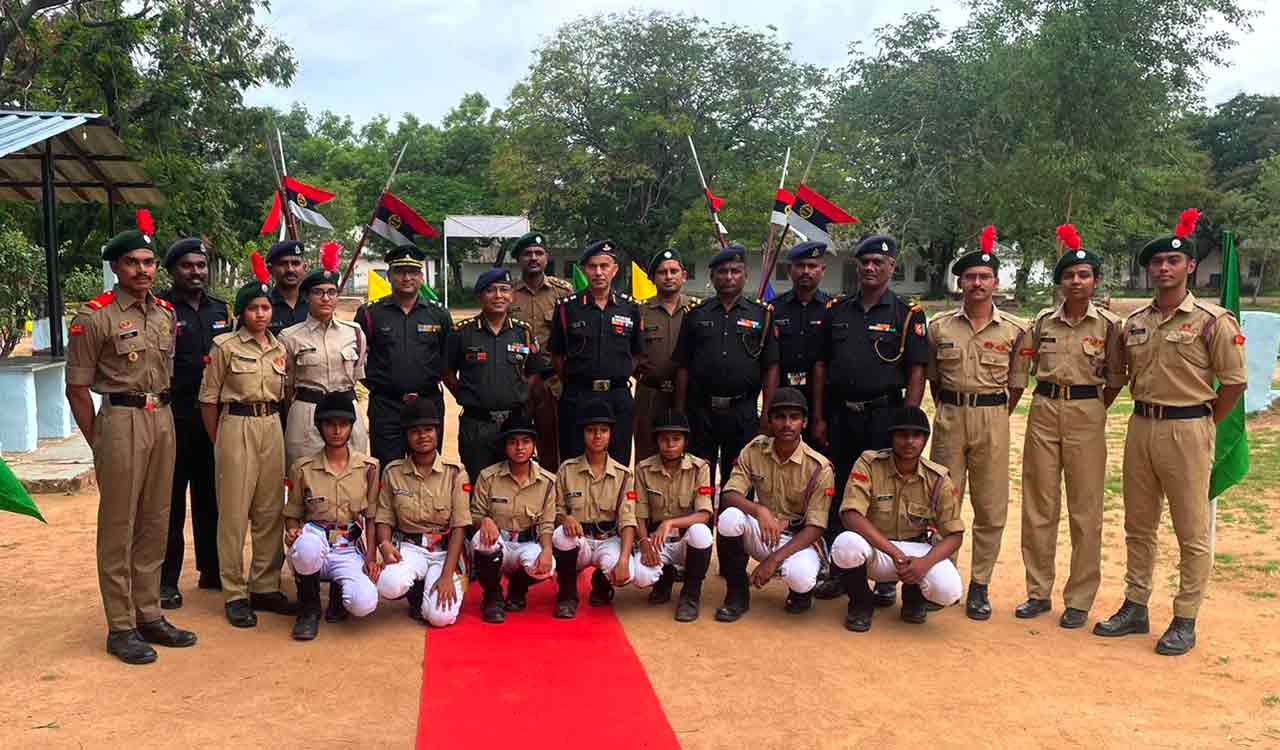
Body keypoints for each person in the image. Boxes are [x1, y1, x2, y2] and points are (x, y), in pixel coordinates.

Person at [1094, 210, 1247, 655]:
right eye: (1157, 262)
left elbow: (1233, 383)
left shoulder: (1212, 320)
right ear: (1148, 269)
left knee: (1190, 530)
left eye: (1173, 262)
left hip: (1188, 428)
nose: (1164, 268)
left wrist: (1203, 424)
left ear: (1190, 267)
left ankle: (1185, 617)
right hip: (1141, 426)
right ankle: (1136, 605)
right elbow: (1118, 374)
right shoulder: (1135, 322)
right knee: (1137, 524)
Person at [65, 213, 198, 664]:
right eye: (132, 263)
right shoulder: (95, 316)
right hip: (119, 421)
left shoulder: (164, 314)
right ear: (116, 268)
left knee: (157, 520)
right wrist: (98, 440)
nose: (142, 270)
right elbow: (77, 387)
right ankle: (120, 626)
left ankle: (149, 612)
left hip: (162, 417)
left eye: (148, 262)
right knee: (119, 525)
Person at [1017, 227, 1125, 629]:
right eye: (1069, 275)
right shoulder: (1043, 322)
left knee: (1085, 510)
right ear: (1059, 281)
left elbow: (1115, 377)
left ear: (1095, 281)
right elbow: (1024, 369)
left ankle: (1079, 599)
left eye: (1084, 275)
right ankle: (1037, 591)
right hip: (1043, 410)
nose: (1076, 281)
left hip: (1086, 413)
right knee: (1039, 506)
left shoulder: (1111, 326)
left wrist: (1090, 406)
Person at [811, 234, 928, 604]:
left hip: (884, 417)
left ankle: (886, 579)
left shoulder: (907, 314)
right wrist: (818, 416)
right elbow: (820, 367)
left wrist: (906, 423)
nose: (871, 269)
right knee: (839, 489)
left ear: (891, 267)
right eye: (865, 263)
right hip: (841, 415)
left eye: (879, 263)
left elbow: (916, 371)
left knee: (883, 496)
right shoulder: (837, 310)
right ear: (857, 267)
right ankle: (841, 570)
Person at [925, 227, 1031, 621]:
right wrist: (957, 406)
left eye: (984, 276)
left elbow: (1017, 384)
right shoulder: (940, 327)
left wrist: (991, 408)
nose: (977, 283)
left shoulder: (1016, 330)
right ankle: (943, 576)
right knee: (943, 501)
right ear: (960, 283)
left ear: (996, 282)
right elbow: (935, 380)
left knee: (990, 507)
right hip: (950, 417)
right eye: (969, 277)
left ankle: (980, 585)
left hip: (993, 418)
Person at [198, 256, 296, 628]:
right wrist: (220, 439)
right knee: (235, 515)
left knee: (270, 511)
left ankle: (265, 585)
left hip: (271, 425)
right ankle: (235, 592)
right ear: (241, 312)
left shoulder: (279, 348)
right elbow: (208, 399)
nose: (261, 314)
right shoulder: (224, 346)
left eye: (266, 307)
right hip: (235, 426)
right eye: (254, 308)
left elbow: (285, 395)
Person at [831, 406, 965, 632]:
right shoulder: (869, 464)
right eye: (902, 435)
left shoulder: (938, 478)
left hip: (917, 552)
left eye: (917, 435)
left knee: (949, 590)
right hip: (878, 550)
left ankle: (914, 597)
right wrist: (895, 554)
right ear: (891, 437)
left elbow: (955, 535)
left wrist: (924, 564)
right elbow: (851, 515)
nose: (909, 441)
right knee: (846, 545)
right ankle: (861, 602)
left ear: (925, 439)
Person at [714, 388, 834, 622]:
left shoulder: (819, 467)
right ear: (769, 420)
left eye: (794, 417)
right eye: (780, 417)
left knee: (800, 577)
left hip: (798, 540)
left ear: (805, 422)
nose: (787, 424)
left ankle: (801, 594)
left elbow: (816, 527)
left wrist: (773, 560)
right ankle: (737, 593)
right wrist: (759, 510)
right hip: (764, 531)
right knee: (730, 518)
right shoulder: (755, 449)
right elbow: (729, 493)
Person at [158, 237, 231, 608]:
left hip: (212, 417)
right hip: (173, 416)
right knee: (169, 502)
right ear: (172, 270)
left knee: (211, 498)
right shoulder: (159, 308)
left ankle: (213, 569)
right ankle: (166, 579)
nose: (196, 272)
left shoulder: (222, 310)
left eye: (201, 266)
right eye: (187, 266)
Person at [674, 244, 779, 486]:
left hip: (742, 412)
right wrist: (680, 411)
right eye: (722, 271)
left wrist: (766, 415)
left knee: (741, 481)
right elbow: (683, 366)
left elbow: (771, 367)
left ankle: (733, 525)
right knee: (698, 481)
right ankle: (699, 523)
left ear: (745, 276)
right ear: (712, 277)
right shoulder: (696, 314)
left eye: (735, 271)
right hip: (701, 411)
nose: (729, 276)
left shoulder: (761, 315)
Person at [284, 392, 381, 641]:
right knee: (305, 548)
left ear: (351, 427)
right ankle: (309, 608)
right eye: (330, 424)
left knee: (364, 603)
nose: (337, 430)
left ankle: (339, 594)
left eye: (343, 424)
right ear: (320, 427)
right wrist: (293, 530)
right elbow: (293, 512)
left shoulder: (368, 467)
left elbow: (371, 517)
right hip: (316, 539)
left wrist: (371, 556)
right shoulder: (303, 468)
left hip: (348, 545)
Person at [551, 400, 655, 619]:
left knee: (633, 576)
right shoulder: (567, 470)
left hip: (608, 540)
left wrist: (624, 559)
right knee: (561, 535)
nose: (597, 436)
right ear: (583, 434)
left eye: (603, 430)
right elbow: (556, 509)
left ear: (610, 434)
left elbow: (628, 521)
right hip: (578, 540)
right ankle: (567, 595)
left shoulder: (623, 474)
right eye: (591, 430)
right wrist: (565, 518)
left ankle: (601, 582)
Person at [374, 399, 470, 628]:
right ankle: (417, 591)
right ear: (406, 436)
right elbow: (384, 517)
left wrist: (447, 575)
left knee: (440, 617)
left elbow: (459, 527)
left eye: (428, 429)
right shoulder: (393, 472)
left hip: (444, 552)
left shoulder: (455, 473)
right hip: (410, 547)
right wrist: (385, 545)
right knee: (388, 584)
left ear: (437, 432)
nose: (422, 436)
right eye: (414, 431)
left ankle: (441, 586)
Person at [548, 240, 645, 465]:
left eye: (604, 266)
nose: (599, 272)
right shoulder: (567, 308)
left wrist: (617, 375)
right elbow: (557, 355)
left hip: (616, 397)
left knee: (618, 461)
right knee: (574, 461)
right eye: (592, 266)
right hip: (578, 396)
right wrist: (578, 378)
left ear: (615, 270)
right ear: (584, 270)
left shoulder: (629, 308)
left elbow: (637, 353)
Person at [357, 243, 452, 468]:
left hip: (428, 403)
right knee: (388, 469)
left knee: (428, 469)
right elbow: (358, 361)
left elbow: (448, 358)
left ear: (421, 275)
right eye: (400, 272)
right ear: (389, 275)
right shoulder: (370, 314)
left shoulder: (438, 313)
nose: (407, 277)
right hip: (387, 406)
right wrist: (379, 385)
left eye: (413, 272)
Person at [280, 244, 369, 468]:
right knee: (304, 477)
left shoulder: (355, 333)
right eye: (318, 292)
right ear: (307, 297)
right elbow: (287, 386)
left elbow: (357, 376)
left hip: (347, 413)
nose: (325, 298)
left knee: (352, 477)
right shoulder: (289, 337)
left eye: (331, 292)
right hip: (306, 415)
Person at [444, 267, 534, 480]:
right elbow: (447, 372)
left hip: (513, 424)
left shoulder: (523, 332)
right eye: (491, 290)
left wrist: (518, 392)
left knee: (513, 482)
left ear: (512, 296)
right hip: (476, 424)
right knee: (478, 482)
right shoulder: (461, 333)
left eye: (504, 290)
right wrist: (467, 394)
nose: (498, 296)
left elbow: (533, 371)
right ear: (480, 296)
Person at [470, 415, 557, 624]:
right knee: (481, 540)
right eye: (512, 442)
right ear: (505, 446)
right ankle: (492, 596)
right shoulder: (487, 476)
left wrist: (546, 550)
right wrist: (484, 521)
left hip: (526, 544)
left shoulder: (548, 481)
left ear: (534, 445)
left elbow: (546, 524)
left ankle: (518, 588)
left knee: (548, 565)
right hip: (497, 544)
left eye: (526, 441)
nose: (519, 447)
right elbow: (473, 514)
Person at [630, 409, 714, 622]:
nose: (670, 445)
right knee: (641, 577)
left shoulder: (700, 467)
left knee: (702, 533)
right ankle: (663, 580)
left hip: (686, 541)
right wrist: (644, 544)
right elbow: (639, 514)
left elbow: (704, 514)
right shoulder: (643, 469)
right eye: (664, 439)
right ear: (656, 441)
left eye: (676, 439)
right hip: (657, 541)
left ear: (685, 441)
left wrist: (669, 523)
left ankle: (691, 593)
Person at [509, 231, 574, 467]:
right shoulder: (507, 294)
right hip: (518, 381)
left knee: (554, 446)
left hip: (553, 382)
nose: (533, 258)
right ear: (519, 259)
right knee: (516, 444)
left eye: (539, 253)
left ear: (547, 258)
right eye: (527, 254)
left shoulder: (563, 292)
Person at [633, 249, 699, 462]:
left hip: (689, 395)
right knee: (647, 455)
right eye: (662, 272)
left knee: (689, 457)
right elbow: (628, 351)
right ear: (652, 278)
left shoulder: (698, 310)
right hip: (651, 394)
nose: (669, 276)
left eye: (674, 271)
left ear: (684, 275)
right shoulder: (639, 312)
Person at [771, 241, 831, 420]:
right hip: (783, 395)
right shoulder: (773, 309)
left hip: (822, 398)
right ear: (789, 270)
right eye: (800, 266)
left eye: (812, 266)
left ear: (823, 270)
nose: (806, 271)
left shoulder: (834, 309)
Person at [265, 239, 309, 338]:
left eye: (295, 263)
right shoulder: (261, 305)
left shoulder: (315, 303)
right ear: (270, 269)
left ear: (304, 268)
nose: (290, 269)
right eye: (283, 263)